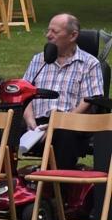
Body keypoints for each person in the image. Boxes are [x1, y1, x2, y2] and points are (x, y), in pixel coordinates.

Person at [22, 13, 103, 172]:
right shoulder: (38, 60)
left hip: (70, 123)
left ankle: (56, 184)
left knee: (63, 134)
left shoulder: (90, 63)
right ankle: (4, 182)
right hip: (36, 123)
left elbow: (89, 100)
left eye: (54, 32)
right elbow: (25, 92)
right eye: (48, 30)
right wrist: (30, 120)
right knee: (1, 130)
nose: (48, 35)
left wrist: (59, 124)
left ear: (73, 35)